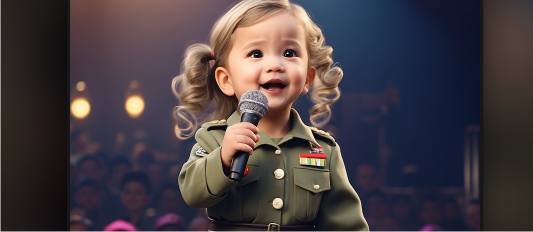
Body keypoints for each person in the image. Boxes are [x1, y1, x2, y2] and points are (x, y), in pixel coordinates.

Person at [173, 0, 369, 231]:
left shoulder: (324, 150)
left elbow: (346, 224)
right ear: (226, 80)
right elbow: (192, 194)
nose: (275, 64)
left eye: (289, 53)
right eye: (256, 53)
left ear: (307, 78)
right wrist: (223, 159)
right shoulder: (214, 138)